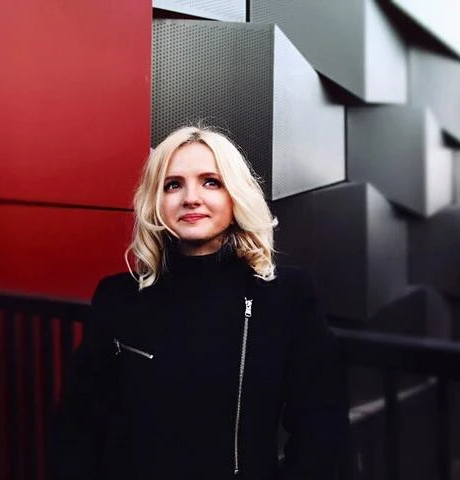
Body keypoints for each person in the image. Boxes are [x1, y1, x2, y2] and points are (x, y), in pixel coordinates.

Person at [49, 126, 349, 479]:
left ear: (235, 195)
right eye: (173, 185)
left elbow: (320, 427)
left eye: (211, 182)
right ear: (156, 201)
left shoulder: (287, 295)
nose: (191, 198)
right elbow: (79, 426)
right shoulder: (118, 298)